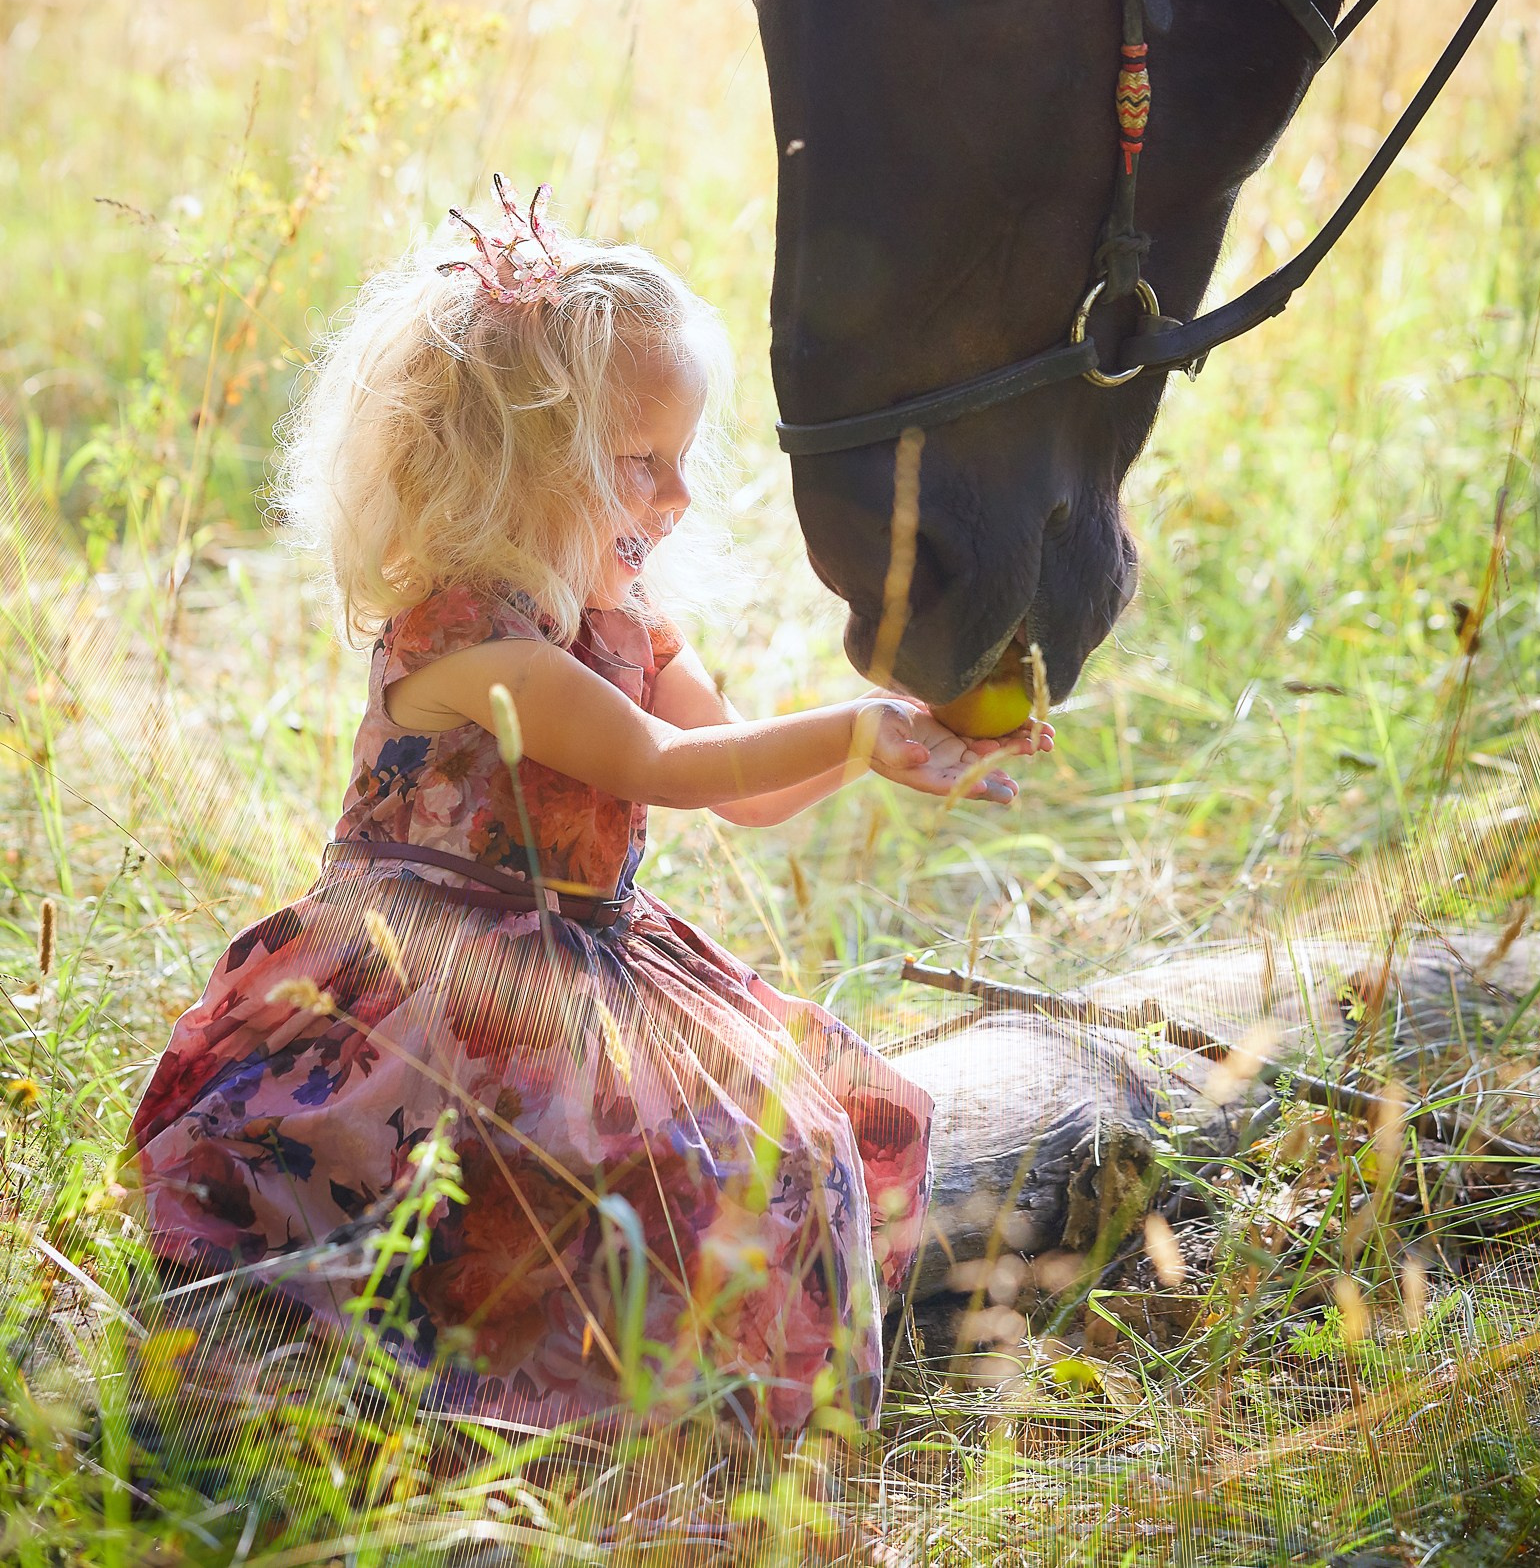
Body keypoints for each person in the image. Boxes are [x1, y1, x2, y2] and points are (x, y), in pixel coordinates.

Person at [131, 180, 1046, 1437]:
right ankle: (516, 1421)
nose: (672, 497)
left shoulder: (626, 627)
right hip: (429, 993)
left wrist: (897, 740)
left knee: (799, 1125)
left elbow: (749, 785)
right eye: (637, 462)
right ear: (512, 464)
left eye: (681, 459)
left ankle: (722, 1422)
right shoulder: (464, 645)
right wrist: (859, 729)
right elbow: (661, 762)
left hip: (586, 969)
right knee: (586, 1188)